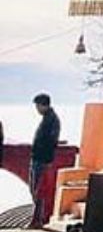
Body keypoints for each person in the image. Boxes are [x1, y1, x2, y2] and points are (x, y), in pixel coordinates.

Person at [30, 94, 60, 222]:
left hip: (42, 159)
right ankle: (37, 218)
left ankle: (38, 219)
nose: (37, 109)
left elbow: (51, 140)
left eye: (38, 106)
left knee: (38, 190)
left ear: (44, 105)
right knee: (35, 189)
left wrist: (44, 156)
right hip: (38, 157)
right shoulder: (47, 119)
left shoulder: (51, 120)